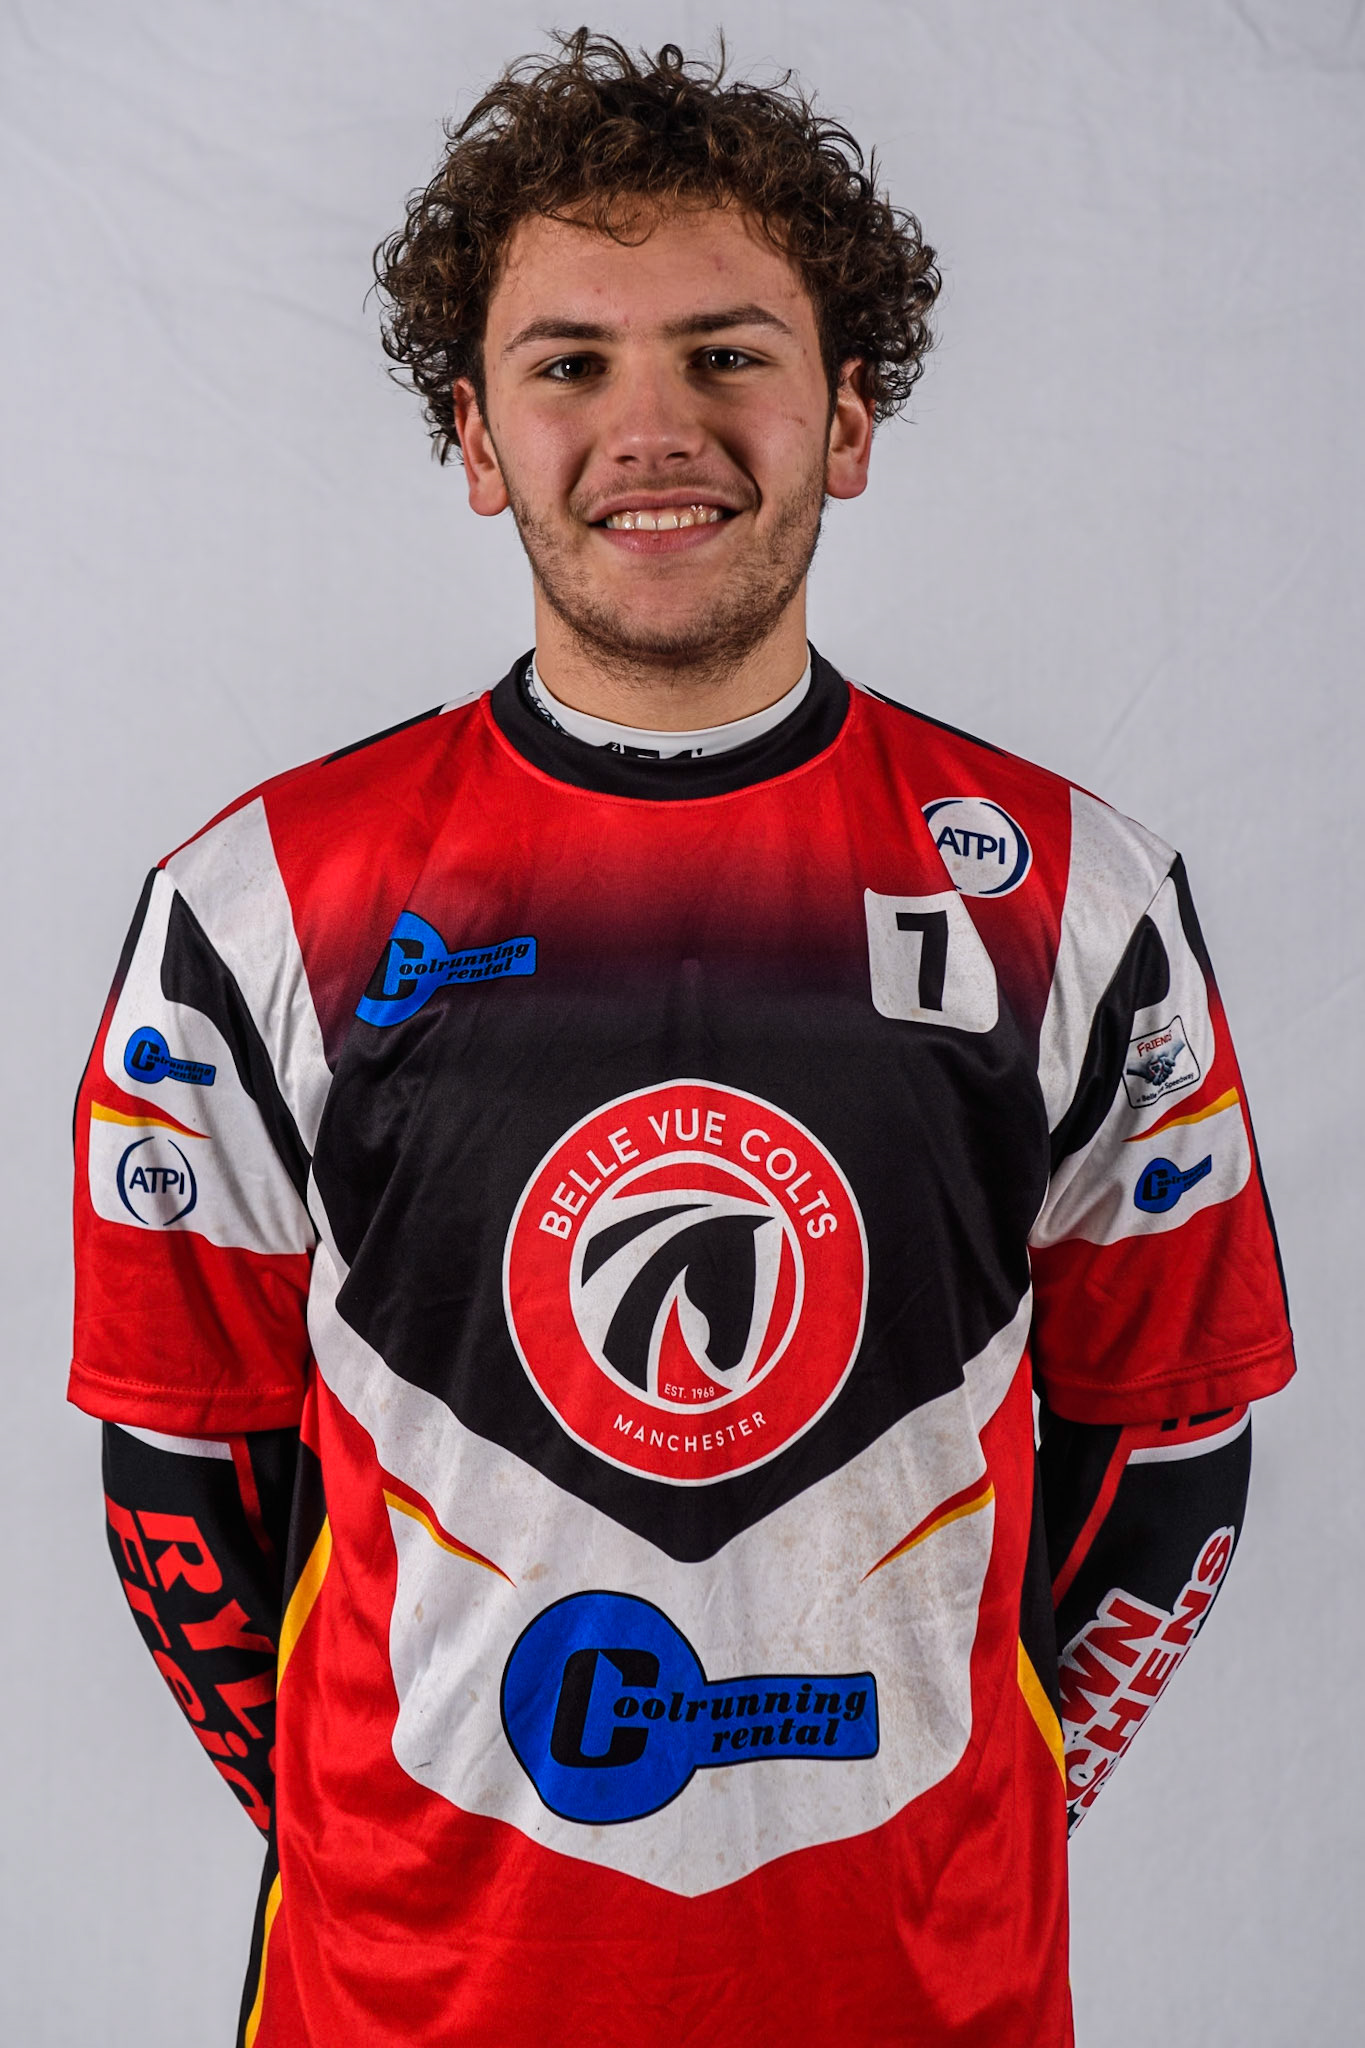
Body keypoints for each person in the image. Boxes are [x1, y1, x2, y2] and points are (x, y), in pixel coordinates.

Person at [71, 31, 1295, 2047]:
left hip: (923, 2002)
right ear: (474, 439)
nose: (655, 424)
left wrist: (972, 1823)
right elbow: (174, 1470)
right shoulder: (261, 901)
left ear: (849, 414)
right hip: (409, 2009)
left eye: (727, 353)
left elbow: (1169, 1446)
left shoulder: (1064, 894)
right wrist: (377, 1845)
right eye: (569, 364)